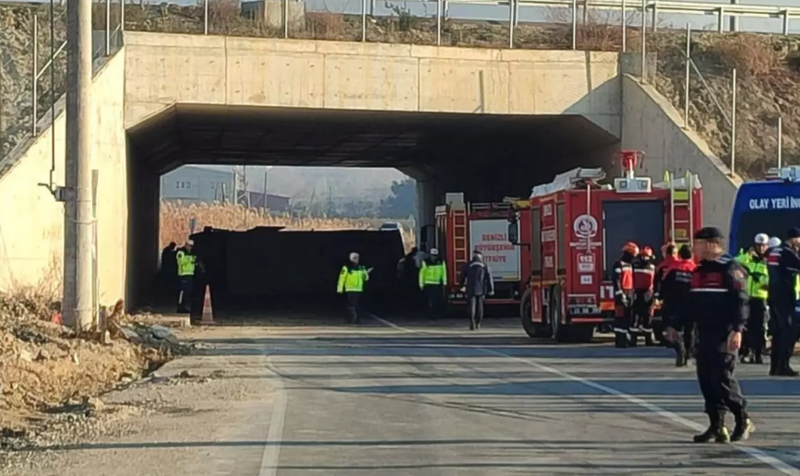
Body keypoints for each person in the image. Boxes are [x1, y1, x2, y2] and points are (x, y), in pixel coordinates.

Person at [665, 226, 754, 443]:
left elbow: (741, 301)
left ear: (711, 244)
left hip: (724, 334)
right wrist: (673, 325)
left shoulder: (731, 269)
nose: (694, 248)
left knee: (722, 378)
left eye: (698, 244)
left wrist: (737, 329)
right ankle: (717, 425)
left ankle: (743, 419)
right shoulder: (699, 272)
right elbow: (690, 304)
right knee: (706, 380)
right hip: (704, 334)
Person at [767, 228, 800, 376]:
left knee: (777, 332)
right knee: (789, 330)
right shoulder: (787, 253)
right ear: (793, 239)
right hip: (784, 296)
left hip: (773, 295)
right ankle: (783, 365)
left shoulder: (774, 251)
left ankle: (774, 366)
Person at [735, 233, 770, 364]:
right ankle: (746, 352)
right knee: (746, 325)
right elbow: (735, 264)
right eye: (759, 246)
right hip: (746, 297)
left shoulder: (769, 261)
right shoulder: (746, 258)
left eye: (764, 246)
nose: (761, 248)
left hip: (761, 298)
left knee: (760, 327)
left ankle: (758, 353)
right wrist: (747, 256)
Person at [660, 244, 697, 367]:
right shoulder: (695, 270)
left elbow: (663, 285)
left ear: (680, 255)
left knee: (672, 330)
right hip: (691, 305)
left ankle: (679, 349)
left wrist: (661, 298)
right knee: (690, 331)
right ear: (691, 255)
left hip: (674, 306)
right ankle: (688, 355)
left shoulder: (673, 268)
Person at [459, 250, 495, 330]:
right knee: (480, 307)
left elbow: (462, 276)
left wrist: (461, 285)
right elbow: (489, 278)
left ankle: (472, 323)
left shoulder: (468, 265)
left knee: (471, 306)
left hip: (470, 289)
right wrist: (491, 289)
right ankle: (478, 323)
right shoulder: (485, 265)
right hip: (481, 289)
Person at [612, 242, 638, 348]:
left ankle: (625, 338)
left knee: (628, 317)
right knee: (620, 317)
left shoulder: (630, 265)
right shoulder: (618, 264)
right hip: (622, 293)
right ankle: (620, 340)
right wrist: (620, 293)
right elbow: (616, 279)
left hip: (630, 292)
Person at [337, 252, 371, 324]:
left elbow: (366, 278)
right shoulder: (346, 268)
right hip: (350, 289)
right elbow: (342, 278)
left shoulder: (361, 268)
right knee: (351, 305)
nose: (356, 260)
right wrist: (340, 288)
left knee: (357, 305)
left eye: (357, 258)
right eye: (354, 258)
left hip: (359, 289)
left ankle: (357, 319)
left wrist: (366, 274)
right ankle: (349, 318)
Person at [632, 246, 656, 346]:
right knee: (647, 317)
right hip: (647, 293)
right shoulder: (652, 267)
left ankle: (634, 340)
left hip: (638, 293)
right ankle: (648, 340)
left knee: (637, 317)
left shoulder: (634, 266)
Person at [420, 248, 447, 320]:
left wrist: (444, 282)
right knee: (429, 300)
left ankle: (435, 314)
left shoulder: (441, 262)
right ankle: (430, 314)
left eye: (435, 255)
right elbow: (422, 273)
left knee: (436, 300)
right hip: (428, 284)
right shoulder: (426, 262)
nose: (434, 257)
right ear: (430, 255)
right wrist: (421, 284)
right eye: (433, 255)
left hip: (437, 284)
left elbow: (444, 272)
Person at [175, 240, 196, 313]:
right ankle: (180, 306)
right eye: (190, 246)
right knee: (183, 292)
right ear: (186, 245)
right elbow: (181, 262)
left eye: (192, 246)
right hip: (183, 275)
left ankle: (185, 306)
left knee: (188, 292)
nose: (190, 248)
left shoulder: (191, 253)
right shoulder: (181, 252)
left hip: (190, 274)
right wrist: (190, 259)